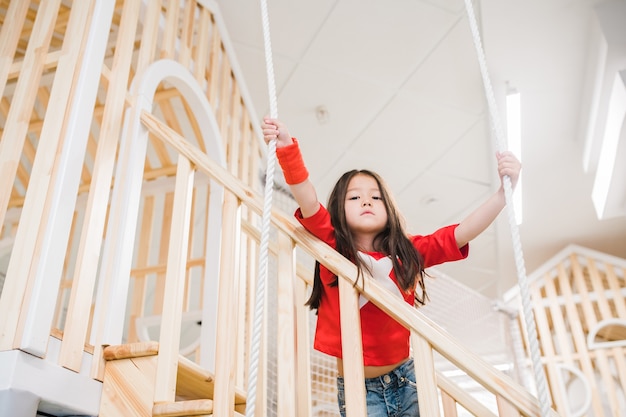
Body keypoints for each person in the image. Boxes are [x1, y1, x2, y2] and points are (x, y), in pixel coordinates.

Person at [261, 117, 521, 417]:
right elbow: (305, 195)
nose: (366, 202)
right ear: (339, 210)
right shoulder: (333, 245)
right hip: (360, 386)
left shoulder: (407, 253)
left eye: (376, 197)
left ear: (389, 209)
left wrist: (503, 196)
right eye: (355, 197)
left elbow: (459, 232)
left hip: (407, 379)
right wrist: (287, 148)